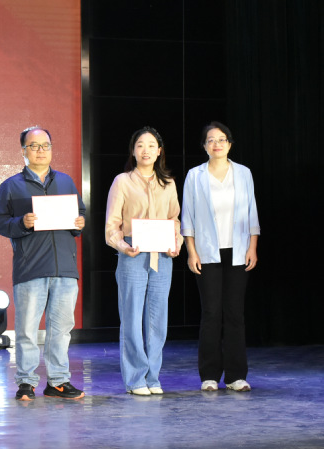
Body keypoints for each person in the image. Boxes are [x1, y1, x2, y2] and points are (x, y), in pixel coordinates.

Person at [0, 126, 86, 401]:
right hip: (30, 268)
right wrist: (21, 223)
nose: (41, 151)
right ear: (23, 151)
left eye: (45, 145)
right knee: (27, 331)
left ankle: (58, 381)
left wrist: (79, 223)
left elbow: (79, 213)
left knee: (61, 330)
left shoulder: (65, 181)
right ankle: (26, 382)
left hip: (65, 268)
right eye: (34, 146)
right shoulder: (11, 185)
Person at [181, 121, 259, 392]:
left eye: (222, 139)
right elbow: (188, 216)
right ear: (204, 146)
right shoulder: (195, 175)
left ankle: (237, 376)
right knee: (211, 312)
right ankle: (210, 375)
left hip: (238, 250)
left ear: (229, 144)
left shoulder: (243, 173)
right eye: (211, 140)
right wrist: (191, 251)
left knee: (235, 313)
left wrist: (252, 246)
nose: (217, 144)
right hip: (207, 251)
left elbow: (252, 212)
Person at [104, 126, 182, 396]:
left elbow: (174, 220)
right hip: (133, 254)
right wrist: (123, 246)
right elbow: (112, 224)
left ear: (159, 151)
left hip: (162, 256)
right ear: (133, 151)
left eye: (151, 145)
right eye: (140, 145)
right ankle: (136, 378)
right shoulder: (122, 181)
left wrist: (176, 244)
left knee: (158, 318)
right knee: (132, 316)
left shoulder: (168, 183)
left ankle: (153, 377)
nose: (145, 150)